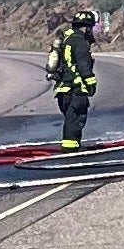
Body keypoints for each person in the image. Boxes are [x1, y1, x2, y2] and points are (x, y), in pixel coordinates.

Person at [48, 9, 99, 149]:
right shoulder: (80, 43)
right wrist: (91, 84)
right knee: (75, 121)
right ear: (87, 27)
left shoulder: (67, 40)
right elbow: (84, 67)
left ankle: (70, 148)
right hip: (76, 90)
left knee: (70, 121)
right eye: (91, 28)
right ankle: (71, 154)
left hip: (62, 91)